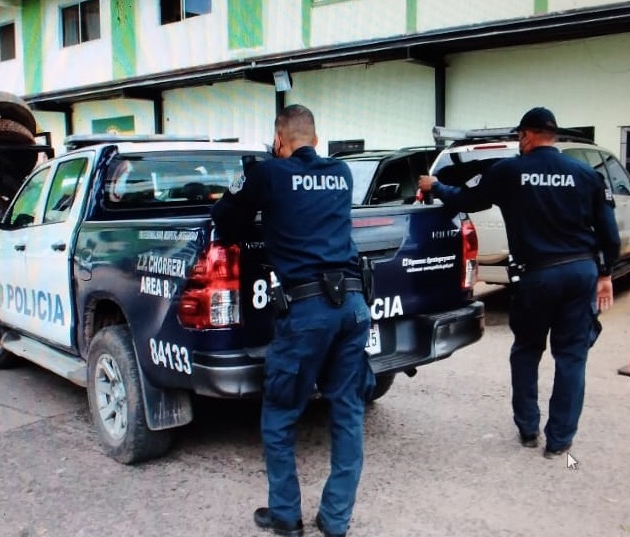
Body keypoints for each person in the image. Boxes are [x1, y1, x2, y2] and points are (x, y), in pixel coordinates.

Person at [417, 106, 620, 459]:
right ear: (552, 135)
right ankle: (560, 442)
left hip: (536, 275)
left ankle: (528, 429)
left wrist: (437, 186)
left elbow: (467, 200)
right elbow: (610, 236)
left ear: (526, 136)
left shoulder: (509, 171)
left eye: (519, 137)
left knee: (527, 350)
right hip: (579, 272)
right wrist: (605, 274)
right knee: (571, 357)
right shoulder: (586, 174)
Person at [211, 104, 375, 537]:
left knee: (281, 412)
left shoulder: (268, 173)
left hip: (307, 313)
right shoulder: (341, 174)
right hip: (353, 306)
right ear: (316, 140)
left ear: (279, 141)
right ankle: (335, 520)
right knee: (347, 410)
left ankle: (285, 516)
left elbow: (224, 221)